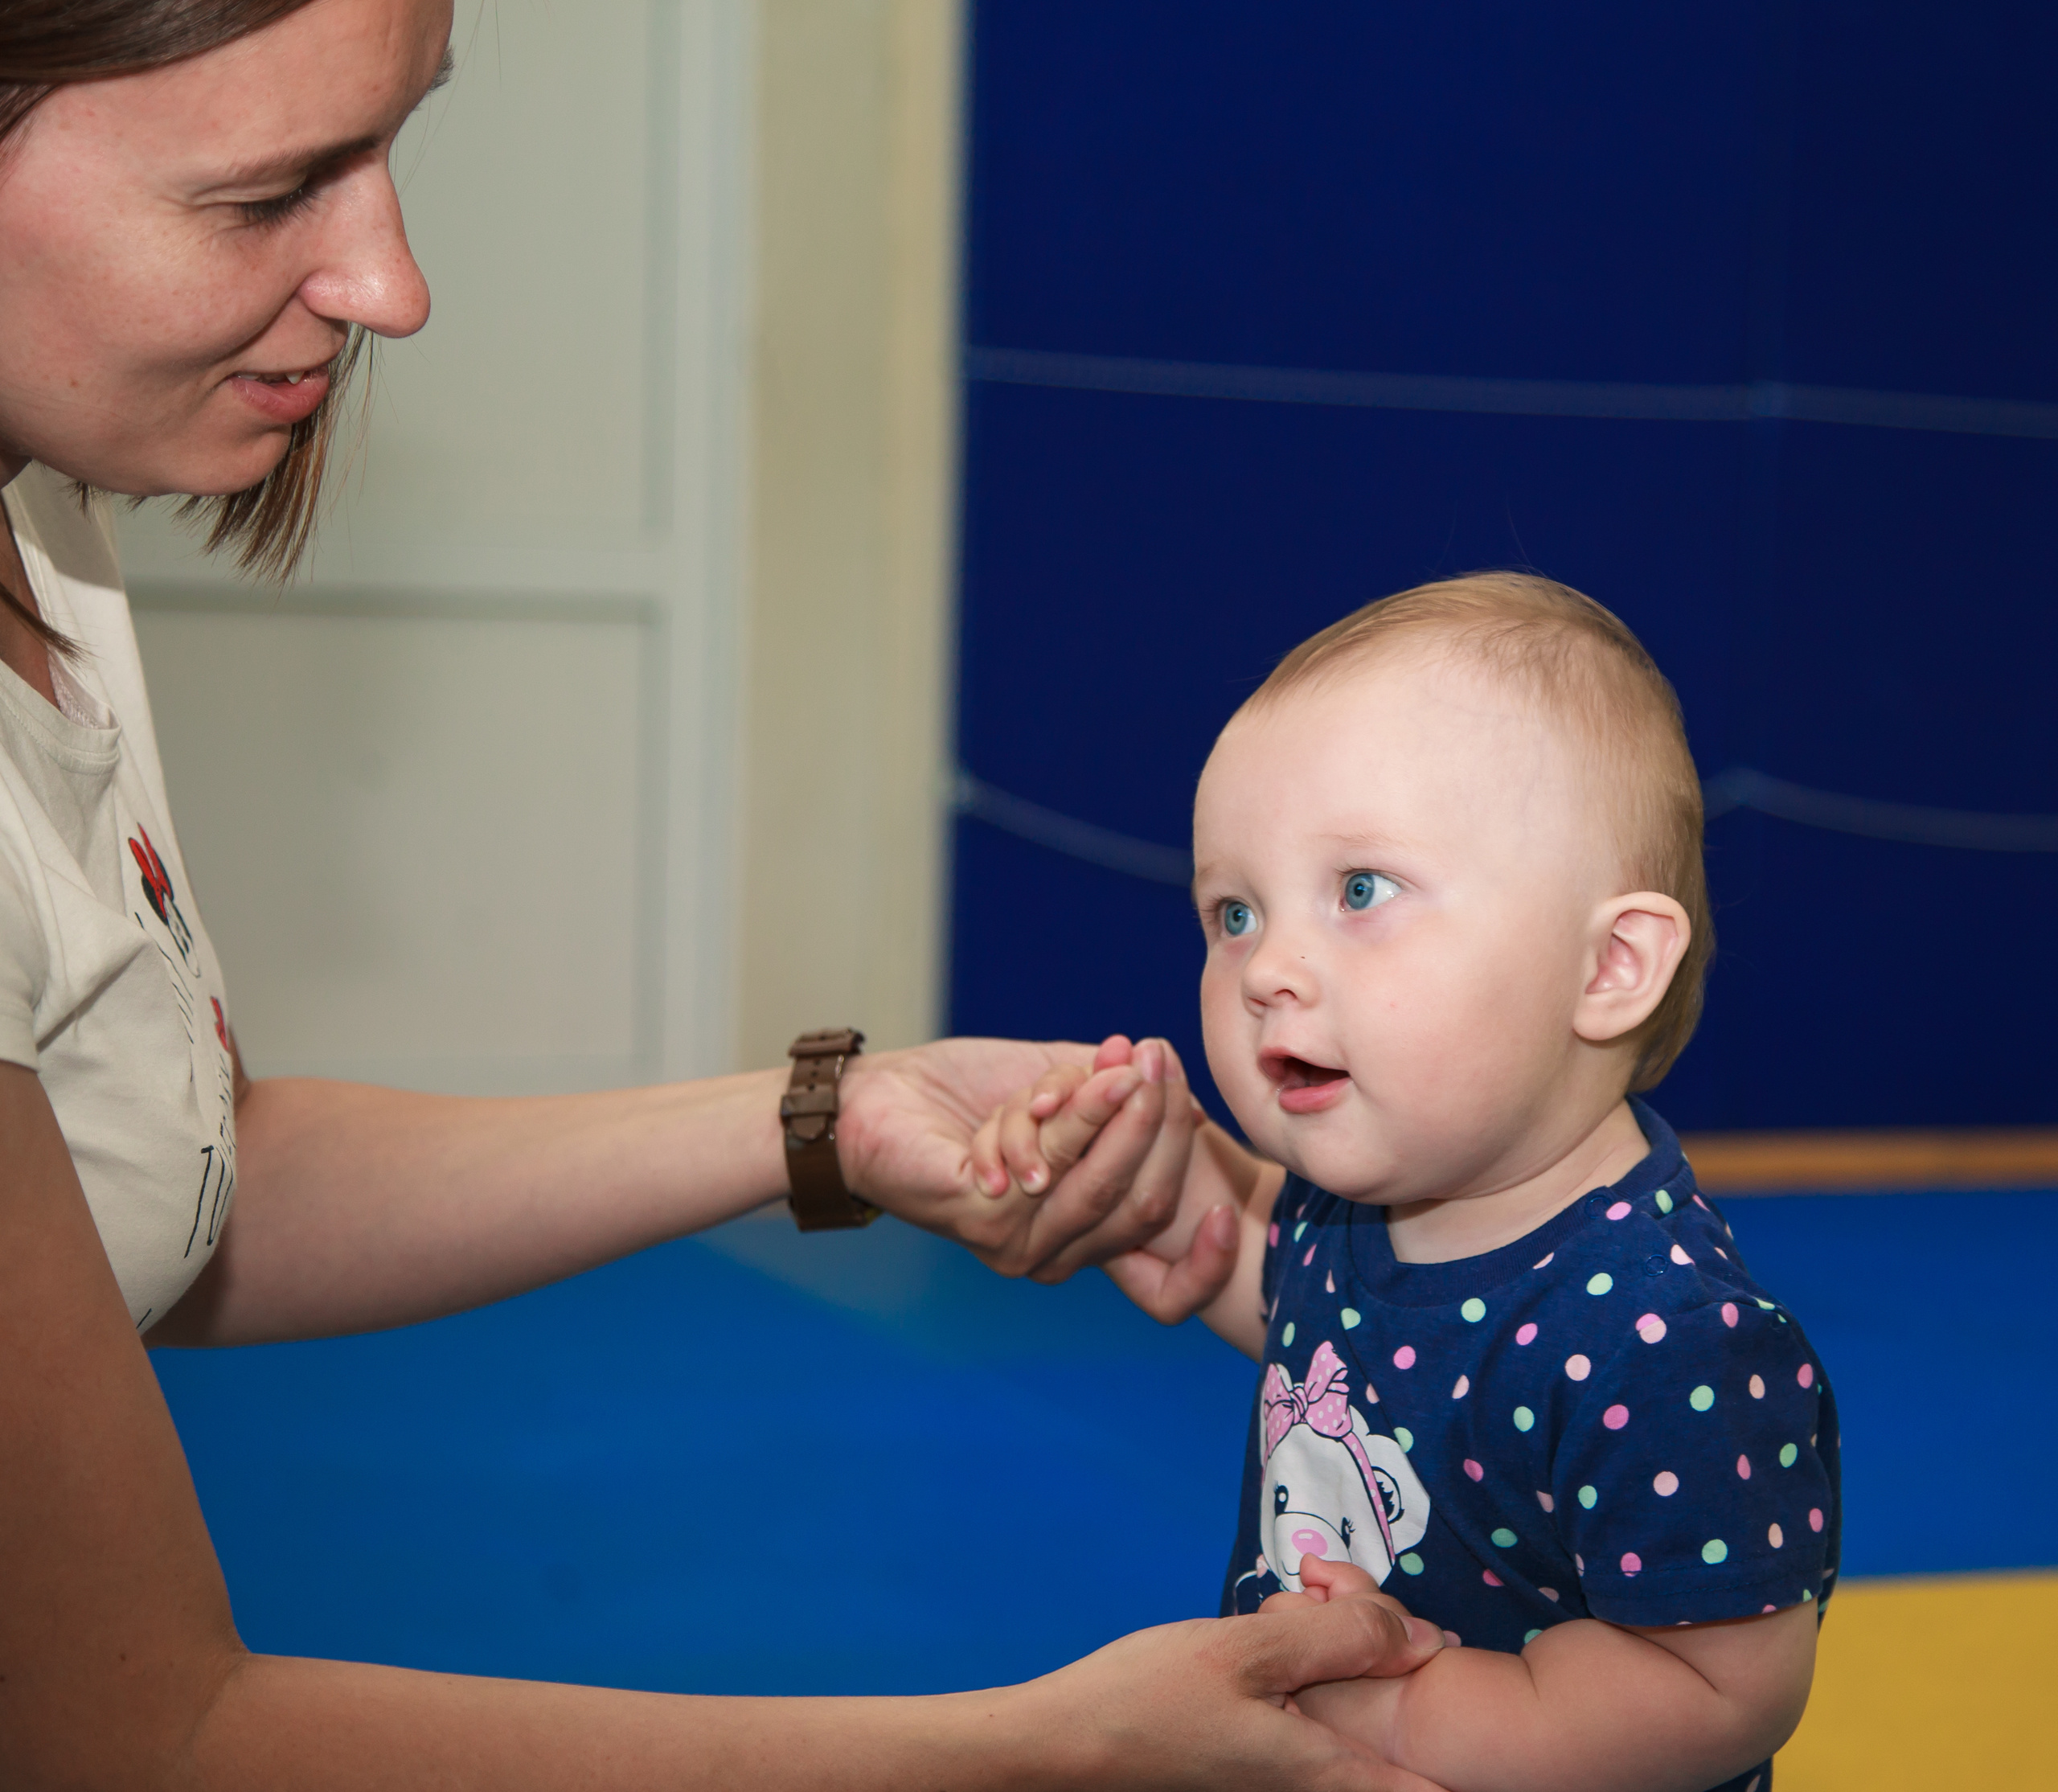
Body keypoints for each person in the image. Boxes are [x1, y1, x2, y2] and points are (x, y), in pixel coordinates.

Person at [0, 2, 1453, 1786]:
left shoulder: (44, 514)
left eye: (392, 147)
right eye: (260, 197)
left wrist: (829, 1120)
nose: (393, 284)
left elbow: (173, 1175)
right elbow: (137, 1735)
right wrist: (1049, 1748)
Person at [978, 576, 1840, 1792]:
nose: (1267, 968)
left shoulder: (1663, 1336)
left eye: (1361, 891)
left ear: (1608, 966)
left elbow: (1722, 1688)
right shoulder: (1352, 1209)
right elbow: (1314, 1322)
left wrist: (1404, 1713)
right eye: (1234, 911)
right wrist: (1146, 1184)